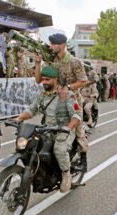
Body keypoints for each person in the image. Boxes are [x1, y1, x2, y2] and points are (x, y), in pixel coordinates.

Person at [12, 66, 81, 193]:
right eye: (43, 79)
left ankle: (66, 174)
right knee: (31, 145)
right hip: (47, 130)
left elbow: (77, 115)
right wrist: (19, 118)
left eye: (47, 79)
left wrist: (68, 127)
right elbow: (32, 110)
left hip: (64, 131)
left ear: (55, 80)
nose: (44, 82)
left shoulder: (67, 95)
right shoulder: (42, 95)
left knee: (59, 149)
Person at [34, 33, 89, 172]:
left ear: (62, 45)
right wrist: (38, 64)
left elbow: (83, 81)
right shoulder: (51, 60)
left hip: (73, 101)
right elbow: (39, 80)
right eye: (50, 44)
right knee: (47, 127)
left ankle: (83, 161)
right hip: (55, 101)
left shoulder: (74, 62)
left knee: (77, 130)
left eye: (53, 44)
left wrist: (68, 87)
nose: (51, 47)